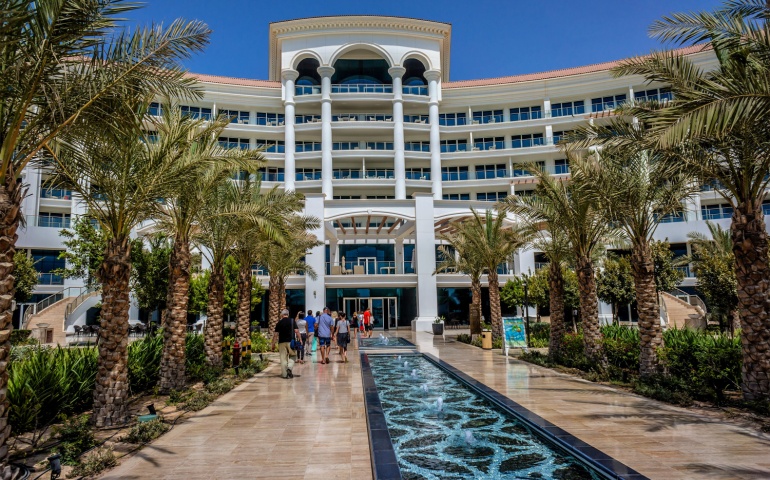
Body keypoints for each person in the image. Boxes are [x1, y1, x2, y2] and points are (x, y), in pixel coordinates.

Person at [271, 309, 299, 379]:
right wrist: (300, 339)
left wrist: (273, 344)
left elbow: (276, 334)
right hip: (291, 342)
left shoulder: (279, 323)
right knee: (293, 355)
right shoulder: (292, 321)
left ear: (281, 315)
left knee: (283, 358)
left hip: (281, 342)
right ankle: (289, 367)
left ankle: (284, 374)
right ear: (288, 314)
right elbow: (296, 331)